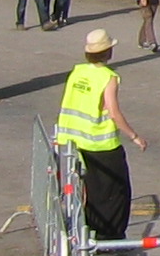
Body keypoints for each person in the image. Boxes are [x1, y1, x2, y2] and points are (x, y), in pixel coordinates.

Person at [55, 29, 147, 240]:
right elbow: (113, 112)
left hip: (74, 140)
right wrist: (134, 136)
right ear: (107, 52)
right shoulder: (108, 77)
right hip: (101, 142)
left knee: (90, 191)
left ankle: (89, 232)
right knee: (115, 192)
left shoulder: (78, 72)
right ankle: (110, 236)